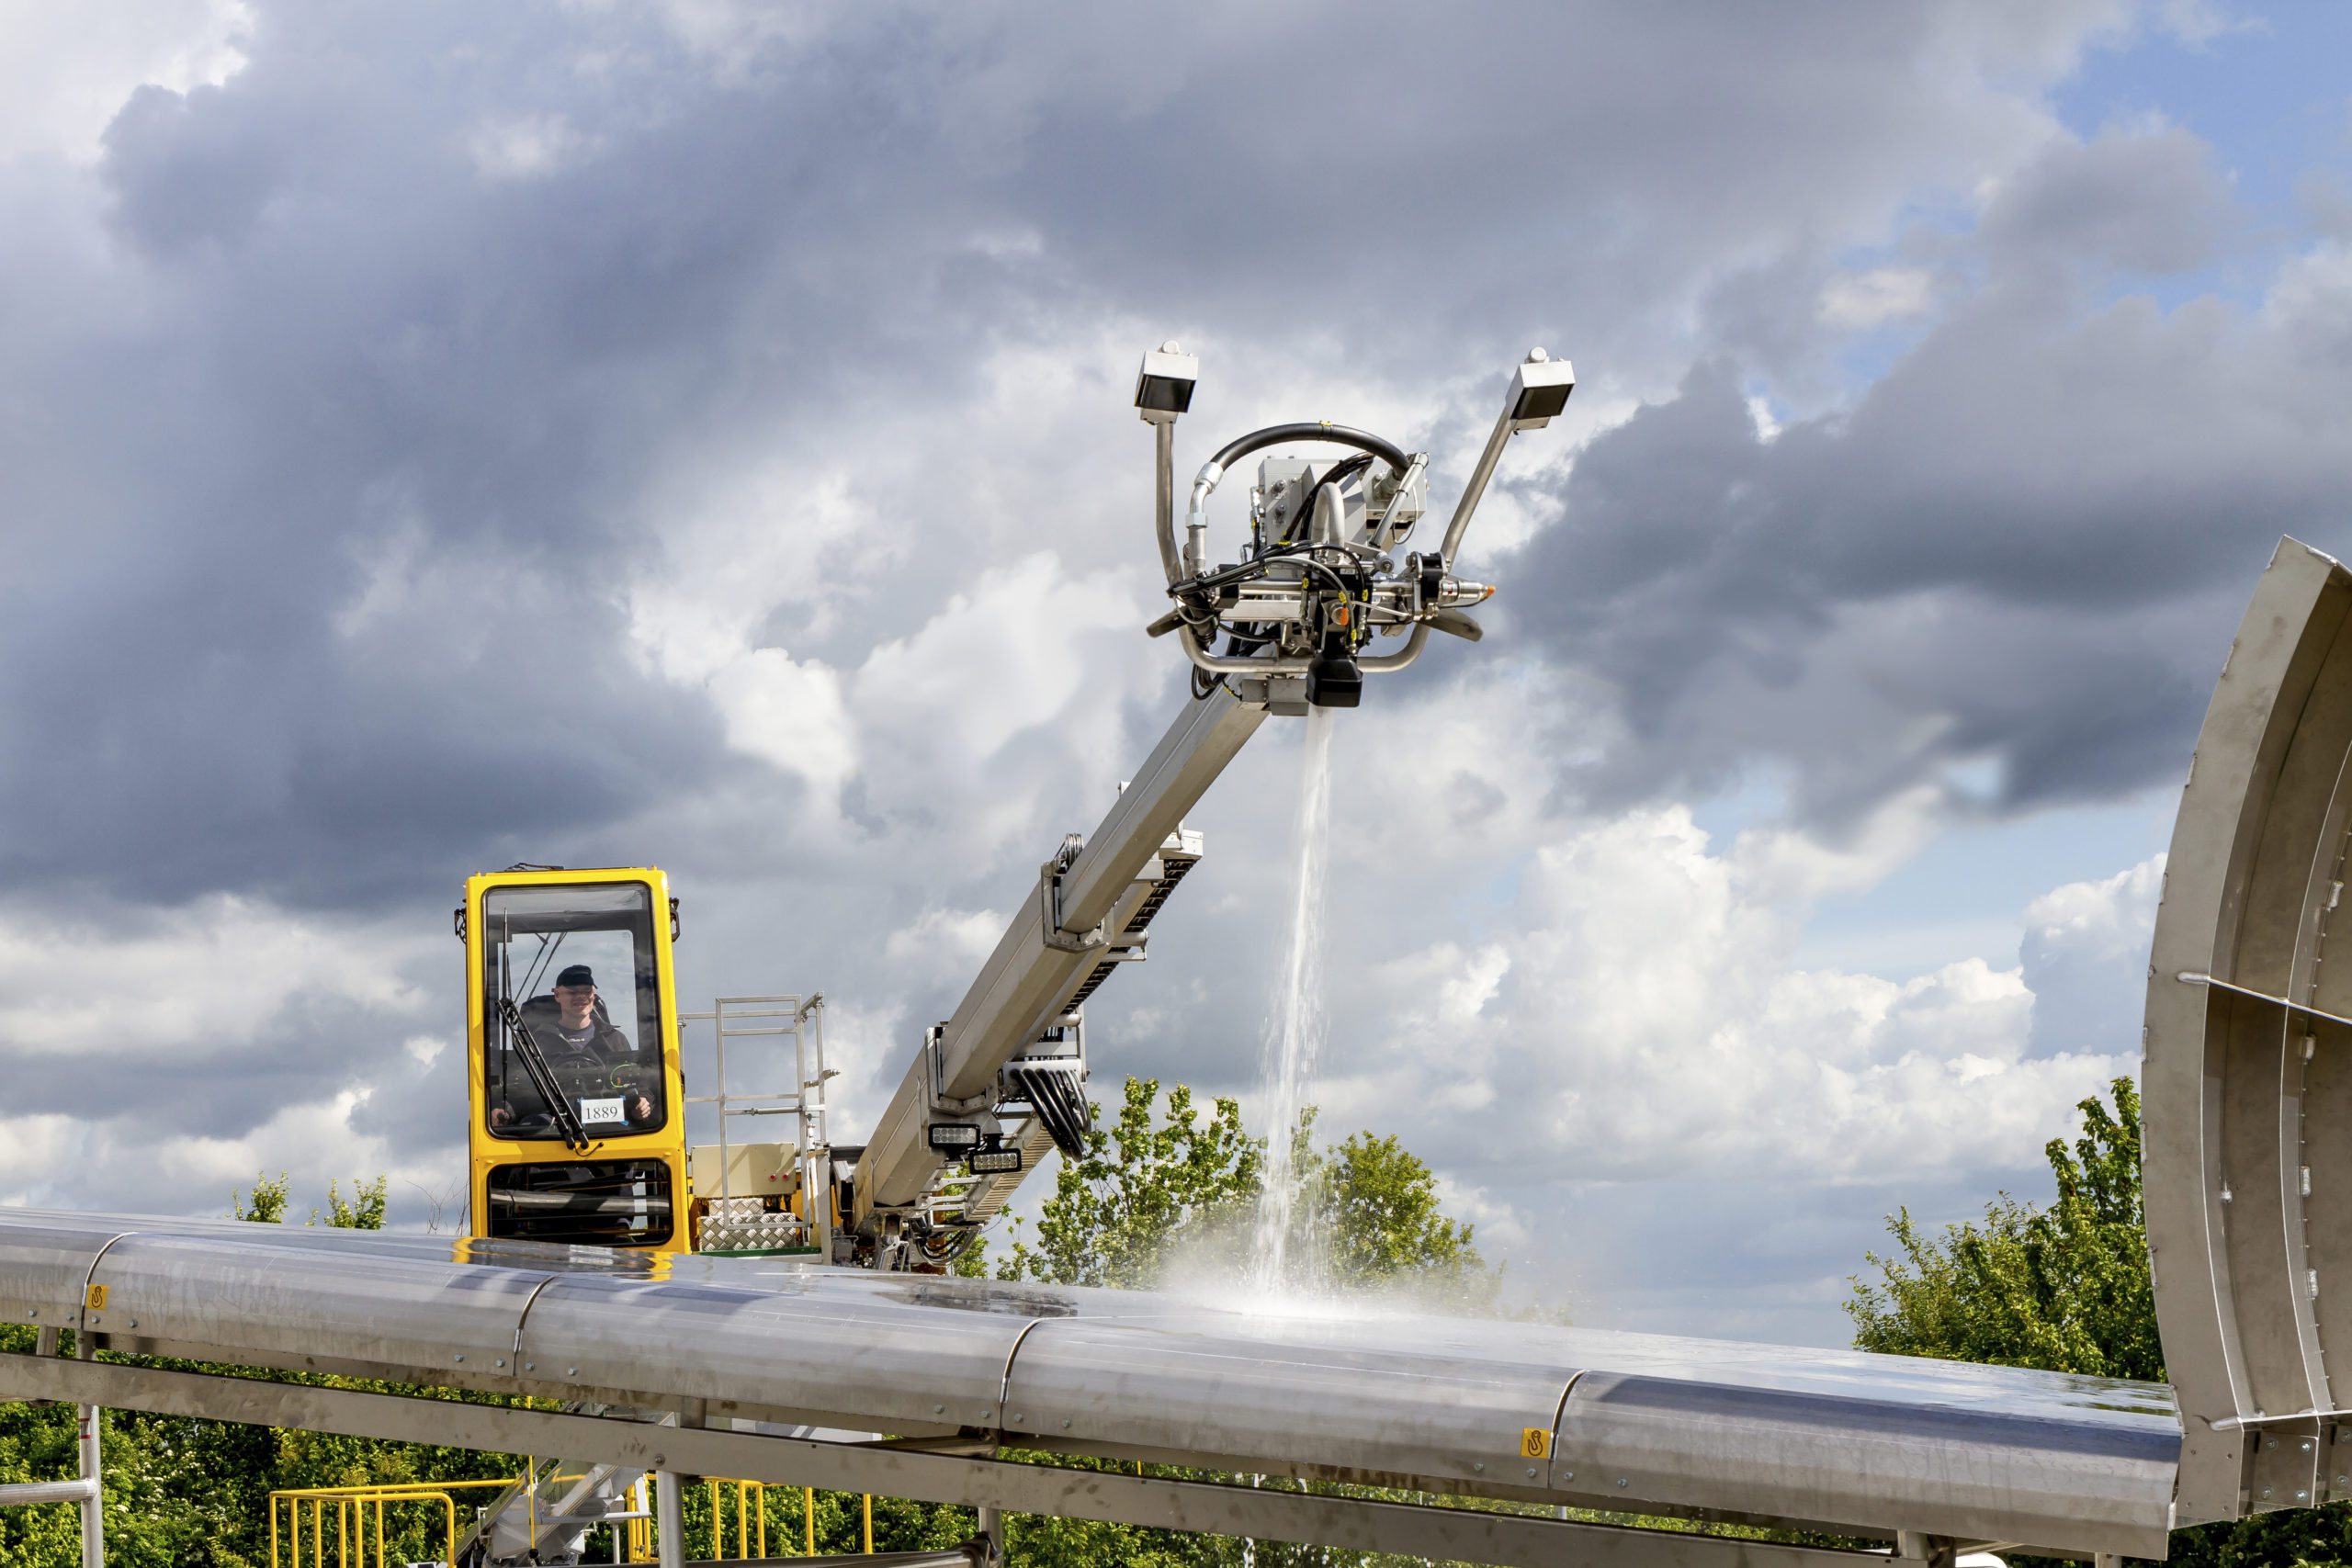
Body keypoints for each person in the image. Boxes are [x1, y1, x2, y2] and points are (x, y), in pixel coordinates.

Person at [488, 964, 658, 1130]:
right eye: (573, 991)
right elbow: (518, 1090)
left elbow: (637, 1081)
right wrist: (505, 1110)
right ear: (557, 995)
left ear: (594, 994)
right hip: (552, 1130)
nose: (581, 996)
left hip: (610, 1129)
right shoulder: (535, 1043)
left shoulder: (615, 1040)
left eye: (586, 991)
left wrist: (643, 1102)